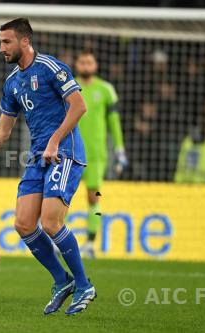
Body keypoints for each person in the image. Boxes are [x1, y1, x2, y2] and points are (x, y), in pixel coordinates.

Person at [0, 18, 95, 316]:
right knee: (23, 223)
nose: (1, 48)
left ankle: (84, 284)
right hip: (38, 156)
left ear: (25, 41)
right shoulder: (12, 82)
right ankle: (62, 281)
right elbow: (2, 130)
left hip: (64, 151)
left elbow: (79, 106)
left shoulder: (52, 68)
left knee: (50, 222)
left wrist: (54, 141)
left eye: (6, 42)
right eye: (0, 42)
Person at [74, 51, 128, 258]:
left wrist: (120, 149)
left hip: (96, 155)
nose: (86, 65)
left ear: (95, 65)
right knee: (61, 196)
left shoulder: (106, 89)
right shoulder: (69, 87)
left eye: (89, 61)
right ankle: (60, 239)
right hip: (71, 152)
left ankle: (89, 242)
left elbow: (114, 123)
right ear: (77, 64)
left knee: (94, 197)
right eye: (82, 61)